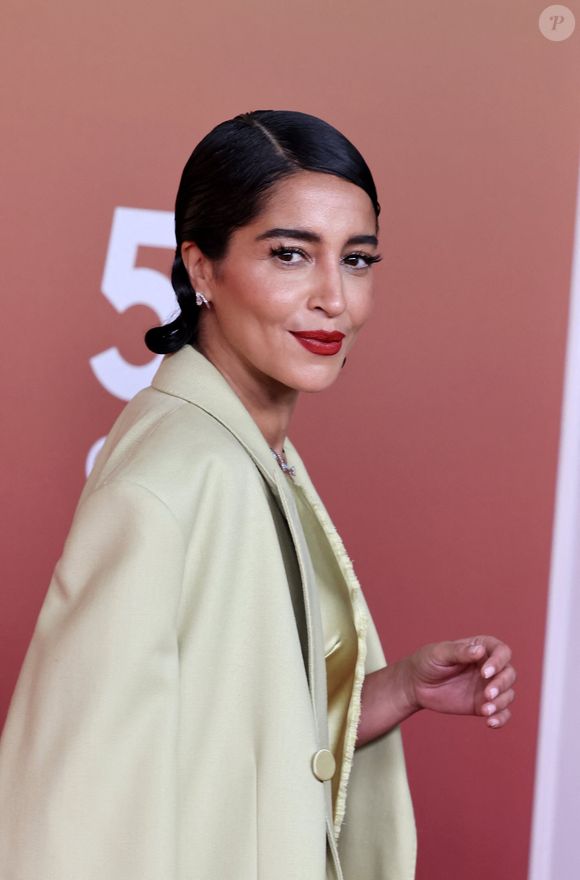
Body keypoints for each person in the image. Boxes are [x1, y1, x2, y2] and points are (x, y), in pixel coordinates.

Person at [0, 110, 516, 880]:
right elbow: (70, 808)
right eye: (290, 255)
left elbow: (238, 739)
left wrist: (397, 688)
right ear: (201, 268)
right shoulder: (173, 479)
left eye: (358, 259)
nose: (333, 298)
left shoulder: (253, 453)